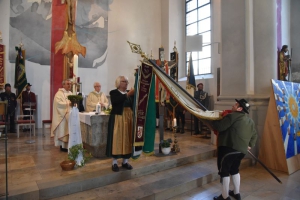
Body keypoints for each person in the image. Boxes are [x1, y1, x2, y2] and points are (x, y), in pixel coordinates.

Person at [205, 99, 257, 200]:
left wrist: (211, 119)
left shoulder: (232, 116)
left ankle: (225, 196)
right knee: (234, 170)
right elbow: (254, 135)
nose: (233, 105)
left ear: (240, 108)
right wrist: (250, 145)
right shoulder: (250, 121)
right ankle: (236, 193)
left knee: (224, 171)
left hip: (228, 149)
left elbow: (220, 127)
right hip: (241, 151)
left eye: (236, 104)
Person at [106, 76, 135, 172]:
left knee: (127, 138)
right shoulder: (114, 92)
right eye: (124, 81)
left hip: (129, 118)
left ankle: (125, 161)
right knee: (117, 139)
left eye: (127, 81)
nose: (126, 83)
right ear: (118, 83)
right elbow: (116, 101)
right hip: (118, 118)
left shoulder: (130, 93)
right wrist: (128, 95)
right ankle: (114, 163)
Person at [51, 79, 72, 151]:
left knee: (69, 130)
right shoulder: (59, 93)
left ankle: (69, 145)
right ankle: (63, 147)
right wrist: (68, 104)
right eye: (68, 84)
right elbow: (58, 104)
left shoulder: (71, 93)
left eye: (70, 84)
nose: (70, 85)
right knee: (63, 130)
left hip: (70, 116)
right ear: (63, 85)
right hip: (62, 116)